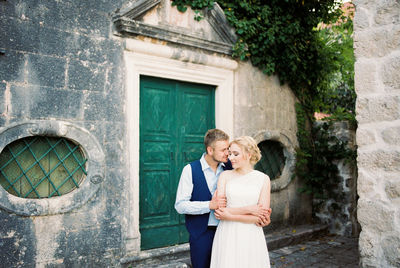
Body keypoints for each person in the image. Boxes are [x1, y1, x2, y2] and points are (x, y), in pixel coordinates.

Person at [210, 136, 272, 268]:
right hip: (228, 233)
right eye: (230, 153)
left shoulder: (263, 179)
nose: (230, 157)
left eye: (235, 154)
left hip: (251, 234)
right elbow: (220, 211)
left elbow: (260, 217)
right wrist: (248, 209)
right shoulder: (225, 176)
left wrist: (230, 215)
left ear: (249, 155)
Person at [174, 129, 232, 268]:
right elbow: (180, 206)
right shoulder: (190, 169)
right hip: (201, 234)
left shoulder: (230, 168)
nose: (227, 153)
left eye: (228, 149)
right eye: (223, 150)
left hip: (227, 230)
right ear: (210, 150)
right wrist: (209, 205)